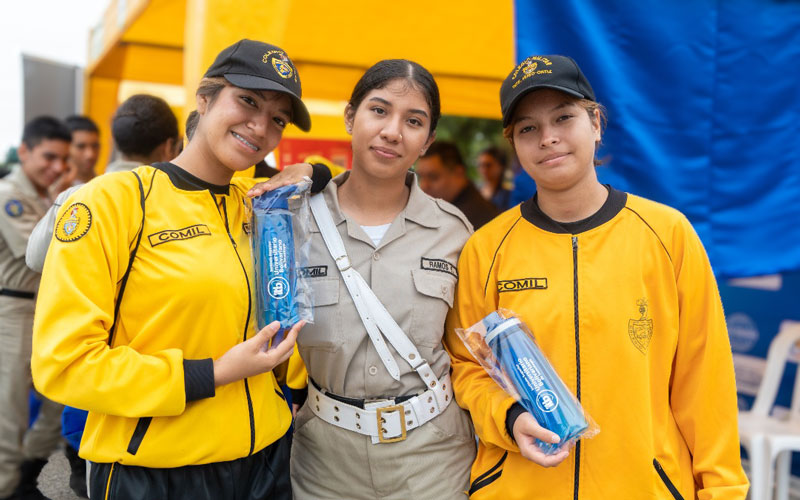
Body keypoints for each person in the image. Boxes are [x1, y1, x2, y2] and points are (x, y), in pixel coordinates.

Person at [31, 39, 331, 500]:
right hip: (156, 472)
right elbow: (63, 365)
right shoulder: (112, 201)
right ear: (204, 98)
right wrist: (211, 373)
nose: (260, 126)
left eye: (278, 119)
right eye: (247, 100)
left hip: (267, 461)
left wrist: (311, 170)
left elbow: (350, 177)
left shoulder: (259, 203)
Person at [444, 55, 749, 499]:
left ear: (596, 123)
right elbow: (466, 368)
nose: (548, 138)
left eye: (563, 118)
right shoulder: (486, 248)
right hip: (520, 488)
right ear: (514, 144)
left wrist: (722, 491)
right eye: (528, 128)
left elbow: (706, 380)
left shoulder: (667, 234)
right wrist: (508, 417)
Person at [284, 59, 476, 499]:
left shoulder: (454, 232)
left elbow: (470, 353)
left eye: (413, 122)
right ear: (350, 116)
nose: (393, 131)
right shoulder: (292, 221)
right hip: (324, 464)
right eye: (379, 110)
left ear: (427, 141)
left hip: (434, 461)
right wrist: (312, 172)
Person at [26, 94, 184, 274]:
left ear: (114, 142)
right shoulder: (180, 202)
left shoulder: (74, 196)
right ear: (169, 146)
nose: (89, 154)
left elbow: (35, 260)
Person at [0, 116, 71, 500]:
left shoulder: (44, 193)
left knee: (58, 397)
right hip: (12, 311)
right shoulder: (10, 194)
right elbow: (42, 256)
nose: (57, 167)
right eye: (48, 157)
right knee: (8, 417)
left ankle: (28, 467)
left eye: (63, 159)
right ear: (24, 151)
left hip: (39, 310)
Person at [416, 141, 498, 229]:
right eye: (420, 177)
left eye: (433, 177)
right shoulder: (454, 210)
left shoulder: (467, 221)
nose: (423, 186)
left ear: (459, 173)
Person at [51, 116, 100, 194]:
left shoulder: (105, 184)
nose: (90, 155)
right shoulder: (50, 188)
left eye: (95, 146)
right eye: (81, 146)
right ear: (66, 148)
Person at [476, 146, 512, 211]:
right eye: (480, 165)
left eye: (488, 165)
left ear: (501, 166)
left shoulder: (508, 194)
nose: (483, 170)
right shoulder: (476, 191)